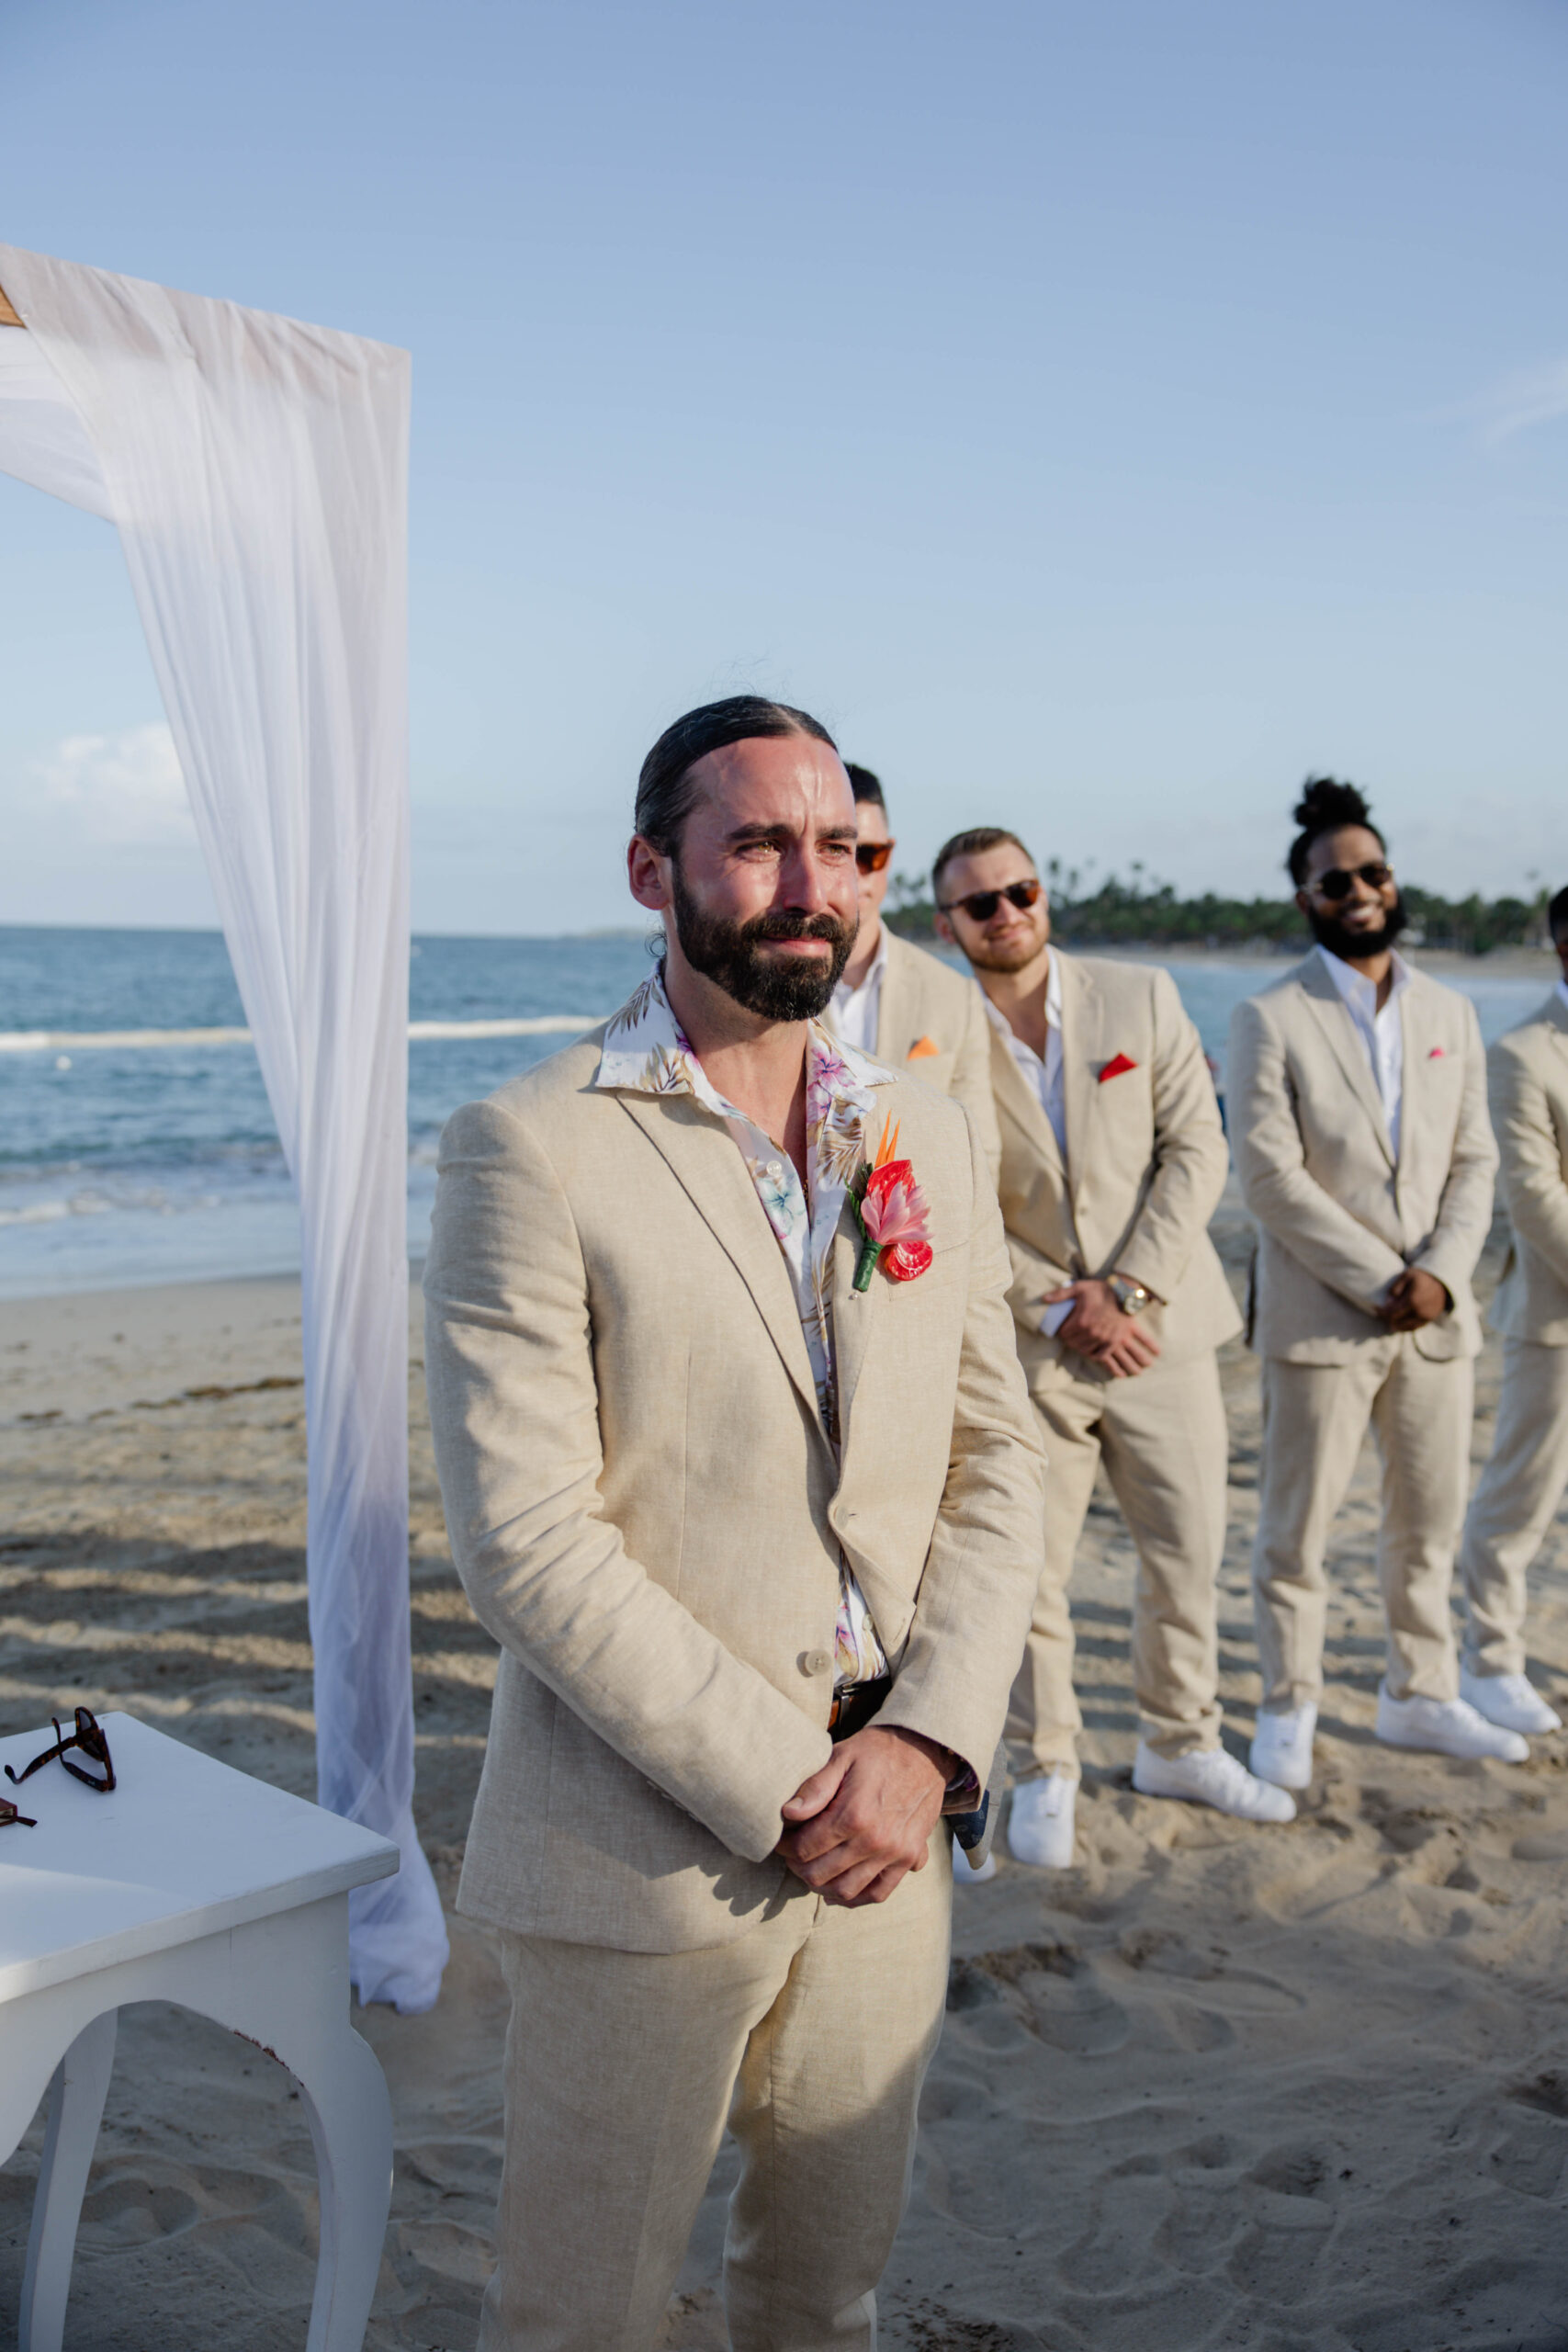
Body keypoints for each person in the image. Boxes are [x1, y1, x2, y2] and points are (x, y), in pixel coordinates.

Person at [423, 695, 1046, 2352]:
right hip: (644, 1847)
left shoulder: (922, 1125)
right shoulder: (530, 1148)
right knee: (584, 2316)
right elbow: (527, 1539)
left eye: (841, 850)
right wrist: (789, 1786)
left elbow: (995, 1461)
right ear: (653, 870)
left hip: (893, 1841)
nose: (809, 886)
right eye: (758, 842)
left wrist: (920, 1749)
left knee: (822, 2298)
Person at [934, 824, 1291, 1872]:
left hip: (1162, 1331)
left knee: (1187, 1552)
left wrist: (1128, 1287)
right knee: (1029, 1571)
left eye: (1022, 891)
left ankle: (1182, 1740)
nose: (1008, 913)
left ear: (1045, 894)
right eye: (980, 903)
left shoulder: (1140, 996)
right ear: (948, 923)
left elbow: (1199, 1146)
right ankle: (1044, 1767)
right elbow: (944, 1185)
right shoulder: (938, 1029)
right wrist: (1058, 1305)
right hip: (1029, 1344)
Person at [1229, 778, 1513, 1792]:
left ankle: (1420, 1692)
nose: (1359, 889)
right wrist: (1381, 1277)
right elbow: (1266, 1176)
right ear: (1307, 895)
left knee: (1427, 1523)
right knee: (1295, 1535)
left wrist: (1438, 1273)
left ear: (1395, 881)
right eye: (1335, 878)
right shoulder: (1270, 1017)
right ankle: (1287, 1704)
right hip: (1321, 1317)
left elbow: (1477, 1159)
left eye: (1373, 871)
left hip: (1436, 1320)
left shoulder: (1452, 1009)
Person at [1454, 883, 1568, 1736]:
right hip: (1552, 1317)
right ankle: (1489, 1657)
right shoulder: (1524, 1052)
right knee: (1519, 1499)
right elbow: (1534, 1198)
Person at [825, 763, 999, 1182]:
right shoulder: (760, 982)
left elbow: (979, 1154)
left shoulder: (955, 996)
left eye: (868, 854)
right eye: (834, 850)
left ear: (890, 853)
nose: (854, 872)